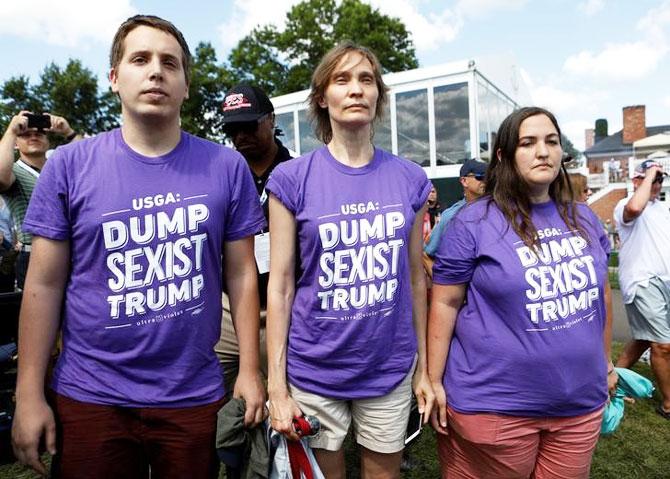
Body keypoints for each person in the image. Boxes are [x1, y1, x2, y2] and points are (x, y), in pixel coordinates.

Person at [11, 15, 266, 478]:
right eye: (140, 59)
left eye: (170, 63)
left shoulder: (226, 167)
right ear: (114, 78)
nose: (155, 71)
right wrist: (28, 394)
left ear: (186, 85)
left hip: (191, 395)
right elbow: (43, 285)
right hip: (92, 394)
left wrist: (250, 368)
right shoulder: (67, 166)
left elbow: (243, 274)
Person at [265, 41, 434, 478]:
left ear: (378, 94)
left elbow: (416, 279)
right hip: (314, 369)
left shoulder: (410, 179)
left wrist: (424, 370)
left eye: (366, 80)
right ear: (323, 97)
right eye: (342, 80)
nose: (356, 89)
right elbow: (280, 286)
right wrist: (276, 386)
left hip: (389, 368)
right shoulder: (291, 179)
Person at [428, 107, 616, 478]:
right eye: (527, 143)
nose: (543, 152)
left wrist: (606, 363)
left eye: (551, 141)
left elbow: (601, 297)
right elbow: (445, 302)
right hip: (494, 406)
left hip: (579, 405)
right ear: (504, 156)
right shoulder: (473, 222)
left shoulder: (584, 218)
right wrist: (433, 381)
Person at [215, 84, 293, 398]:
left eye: (248, 126)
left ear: (271, 120)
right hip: (228, 310)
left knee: (283, 404)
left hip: (284, 309)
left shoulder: (297, 172)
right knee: (214, 404)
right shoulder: (222, 175)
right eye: (233, 130)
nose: (241, 136)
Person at [613, 159, 670, 419]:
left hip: (664, 281)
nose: (657, 183)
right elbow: (635, 207)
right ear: (637, 180)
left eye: (660, 179)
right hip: (643, 282)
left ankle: (610, 382)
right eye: (652, 178)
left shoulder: (662, 208)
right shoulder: (624, 205)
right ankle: (668, 405)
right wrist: (649, 174)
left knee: (644, 339)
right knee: (663, 345)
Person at [0, 112, 81, 289]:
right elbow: (1, 178)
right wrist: (12, 130)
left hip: (75, 252)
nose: (33, 136)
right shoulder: (14, 171)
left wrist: (68, 132)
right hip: (34, 255)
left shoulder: (60, 167)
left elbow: (88, 162)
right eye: (26, 134)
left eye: (39, 133)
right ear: (15, 143)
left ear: (48, 140)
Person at [423, 159, 487, 268]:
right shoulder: (451, 216)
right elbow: (427, 254)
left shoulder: (500, 208)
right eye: (480, 177)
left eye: (489, 177)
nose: (486, 181)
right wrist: (443, 283)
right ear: (464, 181)